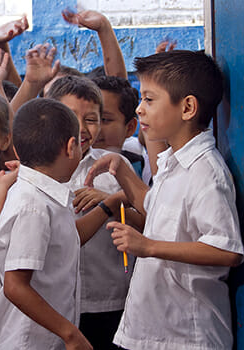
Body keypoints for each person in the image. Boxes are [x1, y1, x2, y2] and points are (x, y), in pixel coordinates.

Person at [85, 50, 244, 349]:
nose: (139, 110)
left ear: (187, 107)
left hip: (186, 335)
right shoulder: (174, 161)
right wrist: (122, 171)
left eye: (149, 99)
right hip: (153, 330)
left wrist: (148, 246)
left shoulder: (205, 172)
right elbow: (155, 207)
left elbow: (226, 250)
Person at [0, 98, 122, 350]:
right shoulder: (34, 205)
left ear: (17, 149)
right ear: (72, 147)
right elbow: (15, 286)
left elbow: (69, 238)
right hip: (29, 340)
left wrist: (109, 205)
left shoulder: (46, 195)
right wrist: (70, 333)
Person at [46, 75, 141, 349]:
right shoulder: (39, 170)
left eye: (91, 118)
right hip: (56, 305)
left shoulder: (114, 165)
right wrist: (106, 207)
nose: (81, 127)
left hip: (111, 299)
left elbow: (148, 222)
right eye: (70, 115)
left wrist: (114, 202)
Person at [91, 75, 146, 180]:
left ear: (130, 128)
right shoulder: (64, 165)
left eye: (105, 120)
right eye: (89, 119)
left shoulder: (138, 167)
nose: (94, 128)